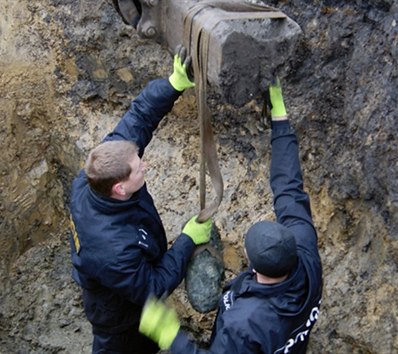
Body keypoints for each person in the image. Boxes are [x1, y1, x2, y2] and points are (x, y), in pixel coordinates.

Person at [138, 79, 323, 353]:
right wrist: (280, 121)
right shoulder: (306, 255)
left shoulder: (244, 323)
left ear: (254, 266)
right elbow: (289, 188)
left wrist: (172, 337)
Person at [68, 45, 213, 354]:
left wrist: (173, 85)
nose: (144, 164)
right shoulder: (115, 250)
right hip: (119, 320)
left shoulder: (96, 172)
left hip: (122, 277)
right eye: (138, 168)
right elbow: (154, 286)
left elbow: (139, 118)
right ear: (120, 189)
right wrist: (187, 240)